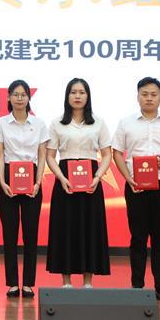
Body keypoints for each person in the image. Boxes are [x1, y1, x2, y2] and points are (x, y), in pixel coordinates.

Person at [112, 76, 160, 302]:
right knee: (137, 238)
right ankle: (137, 286)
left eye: (153, 94)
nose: (149, 98)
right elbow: (117, 152)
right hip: (136, 187)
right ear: (137, 97)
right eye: (144, 94)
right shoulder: (126, 123)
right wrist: (128, 179)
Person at [45, 78, 112, 288]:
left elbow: (107, 154)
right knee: (65, 227)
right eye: (73, 92)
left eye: (82, 92)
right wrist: (61, 177)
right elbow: (50, 156)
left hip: (91, 179)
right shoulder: (57, 123)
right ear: (67, 96)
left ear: (88, 96)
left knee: (89, 227)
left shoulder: (98, 122)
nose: (77, 96)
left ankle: (88, 281)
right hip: (65, 178)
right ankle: (66, 280)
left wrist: (98, 176)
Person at [0, 79, 48, 298]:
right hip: (8, 176)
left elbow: (42, 154)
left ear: (28, 97)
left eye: (23, 94)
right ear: (8, 97)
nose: (19, 98)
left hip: (31, 176)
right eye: (15, 94)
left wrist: (38, 182)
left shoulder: (39, 123)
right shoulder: (1, 123)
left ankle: (28, 283)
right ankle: (12, 283)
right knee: (9, 233)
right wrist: (2, 180)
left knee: (30, 233)